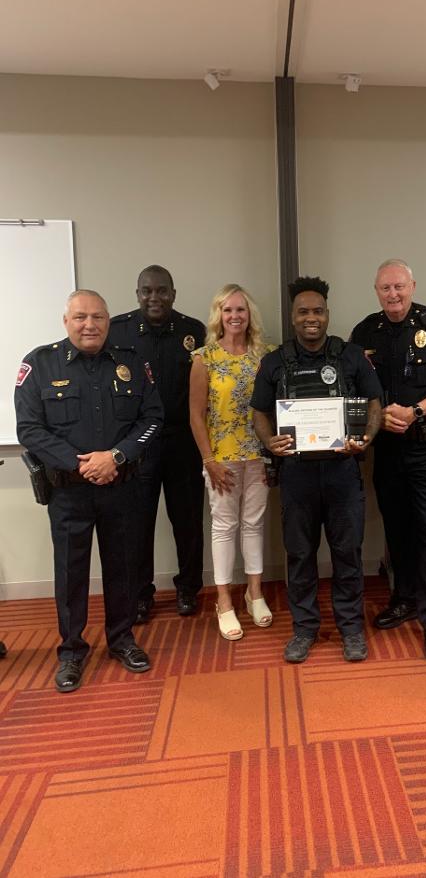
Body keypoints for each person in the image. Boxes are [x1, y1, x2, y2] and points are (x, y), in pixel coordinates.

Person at [14, 290, 163, 692]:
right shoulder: (39, 364)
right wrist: (80, 463)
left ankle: (122, 639)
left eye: (98, 317)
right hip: (69, 493)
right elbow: (29, 429)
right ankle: (72, 651)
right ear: (66, 321)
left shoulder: (132, 362)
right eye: (80, 317)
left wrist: (115, 456)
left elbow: (152, 418)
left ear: (108, 321)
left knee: (123, 568)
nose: (89, 325)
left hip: (121, 486)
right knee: (71, 573)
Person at [251, 276, 382, 664]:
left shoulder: (351, 356)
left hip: (342, 472)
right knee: (299, 555)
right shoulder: (275, 361)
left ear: (327, 314)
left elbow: (374, 403)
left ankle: (351, 628)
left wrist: (366, 438)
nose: (312, 318)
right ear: (293, 317)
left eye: (318, 311)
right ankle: (304, 629)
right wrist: (269, 441)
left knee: (348, 553)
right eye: (304, 311)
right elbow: (259, 411)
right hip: (297, 475)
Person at [350, 260, 426, 661]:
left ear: (412, 286)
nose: (393, 294)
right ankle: (404, 599)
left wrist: (416, 411)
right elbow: (353, 389)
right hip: (386, 450)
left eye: (399, 286)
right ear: (376, 291)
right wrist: (374, 420)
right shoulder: (365, 332)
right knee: (397, 528)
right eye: (385, 288)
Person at [110, 265, 205, 622]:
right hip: (139, 444)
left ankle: (188, 588)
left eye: (162, 290)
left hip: (183, 441)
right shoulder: (118, 331)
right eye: (147, 291)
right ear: (137, 294)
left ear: (173, 294)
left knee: (188, 520)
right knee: (137, 523)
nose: (154, 297)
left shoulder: (193, 331)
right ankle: (140, 594)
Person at [190, 285, 272, 641]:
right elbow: (195, 414)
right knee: (224, 526)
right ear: (218, 315)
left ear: (249, 314)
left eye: (240, 309)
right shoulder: (204, 358)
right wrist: (208, 460)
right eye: (227, 310)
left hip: (258, 454)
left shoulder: (266, 356)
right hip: (220, 458)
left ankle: (255, 593)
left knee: (254, 524)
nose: (235, 316)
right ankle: (223, 600)